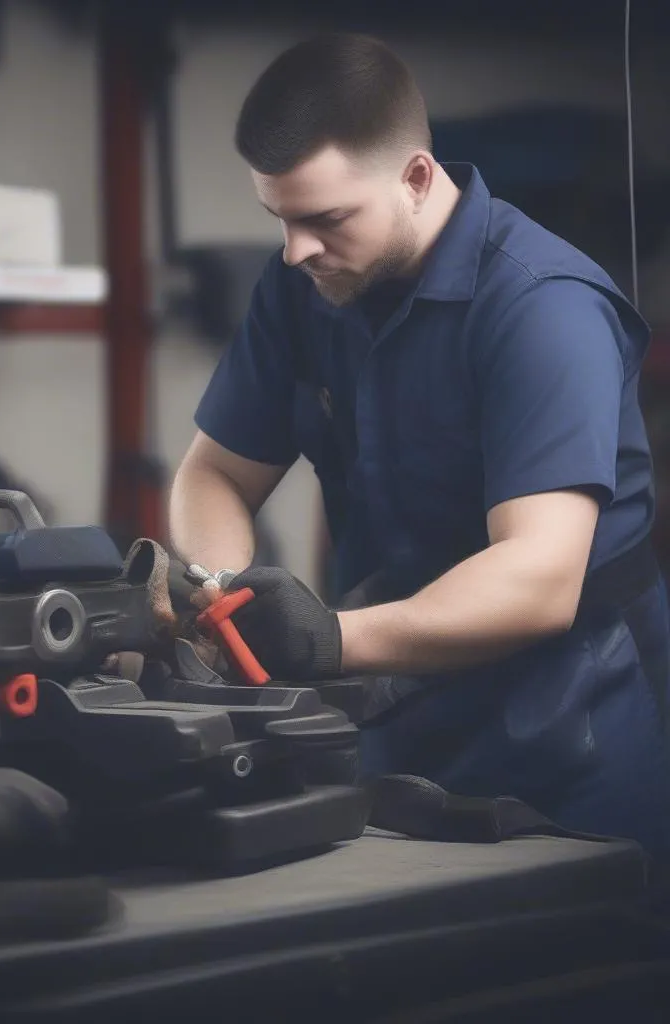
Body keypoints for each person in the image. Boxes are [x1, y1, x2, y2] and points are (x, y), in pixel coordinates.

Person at [168, 32, 670, 856]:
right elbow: (215, 471)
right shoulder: (304, 285)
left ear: (414, 178)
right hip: (393, 713)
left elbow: (540, 578)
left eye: (325, 219)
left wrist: (329, 639)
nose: (296, 249)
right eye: (280, 220)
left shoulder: (545, 308)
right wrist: (222, 597)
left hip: (573, 736)